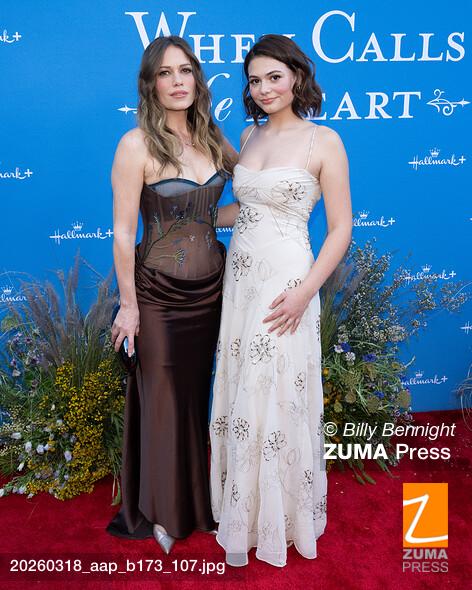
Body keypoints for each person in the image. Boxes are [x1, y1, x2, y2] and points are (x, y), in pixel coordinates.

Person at [209, 34, 352, 567]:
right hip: (242, 282)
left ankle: (282, 517)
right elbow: (244, 211)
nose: (264, 88)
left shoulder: (324, 141)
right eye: (254, 80)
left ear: (296, 77)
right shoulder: (248, 136)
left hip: (288, 284)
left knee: (276, 389)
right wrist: (190, 215)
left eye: (274, 77)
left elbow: (340, 229)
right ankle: (243, 512)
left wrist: (305, 292)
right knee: (244, 386)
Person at [106, 35, 236, 554]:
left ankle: (196, 502)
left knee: (193, 397)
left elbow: (232, 202)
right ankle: (159, 510)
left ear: (197, 79)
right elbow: (122, 233)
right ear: (150, 84)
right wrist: (129, 306)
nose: (177, 81)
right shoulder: (135, 145)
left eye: (185, 70)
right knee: (162, 398)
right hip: (157, 294)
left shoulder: (213, 137)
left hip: (210, 290)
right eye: (165, 73)